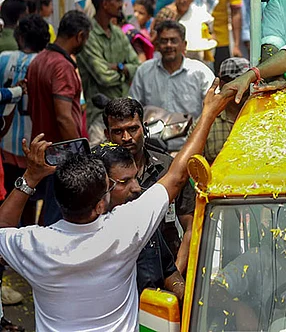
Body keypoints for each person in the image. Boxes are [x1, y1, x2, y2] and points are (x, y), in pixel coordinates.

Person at [0, 80, 226, 332]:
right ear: (100, 205)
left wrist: (30, 177)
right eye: (120, 183)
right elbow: (177, 176)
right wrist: (208, 113)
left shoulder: (35, 245)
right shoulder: (123, 229)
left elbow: (3, 226)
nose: (136, 188)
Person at [102, 96, 200, 274]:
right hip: (118, 270)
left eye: (133, 129)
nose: (126, 138)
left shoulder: (168, 169)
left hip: (168, 267)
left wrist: (174, 273)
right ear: (107, 135)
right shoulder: (99, 174)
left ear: (144, 128)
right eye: (118, 132)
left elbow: (191, 228)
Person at [96, 142, 185, 301]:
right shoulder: (95, 236)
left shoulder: (143, 217)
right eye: (124, 182)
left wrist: (182, 299)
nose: (136, 188)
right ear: (102, 186)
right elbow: (176, 178)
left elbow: (169, 270)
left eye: (135, 177)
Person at [26, 10, 91, 226]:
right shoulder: (62, 66)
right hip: (60, 154)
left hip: (44, 151)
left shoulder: (39, 59)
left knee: (50, 209)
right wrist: (79, 157)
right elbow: (64, 117)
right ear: (80, 36)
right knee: (59, 215)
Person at [76, 0, 140, 146]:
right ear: (105, 4)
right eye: (118, 0)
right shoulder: (88, 37)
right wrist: (126, 73)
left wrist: (120, 68)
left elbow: (137, 66)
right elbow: (103, 77)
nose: (122, 4)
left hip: (125, 117)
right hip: (99, 117)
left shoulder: (118, 33)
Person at [0, 15, 50, 207]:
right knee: (35, 198)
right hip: (37, 143)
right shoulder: (46, 63)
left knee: (14, 196)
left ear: (20, 37)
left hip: (7, 141)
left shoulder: (3, 58)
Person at [129, 20, 215, 119]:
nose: (169, 45)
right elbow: (134, 107)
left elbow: (213, 105)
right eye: (164, 41)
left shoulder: (200, 72)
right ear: (157, 45)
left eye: (173, 41)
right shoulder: (144, 71)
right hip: (154, 133)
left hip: (193, 132)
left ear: (184, 45)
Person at [194, 57, 249, 162]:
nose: (244, 86)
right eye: (238, 80)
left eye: (248, 80)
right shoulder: (206, 123)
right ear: (222, 84)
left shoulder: (260, 115)